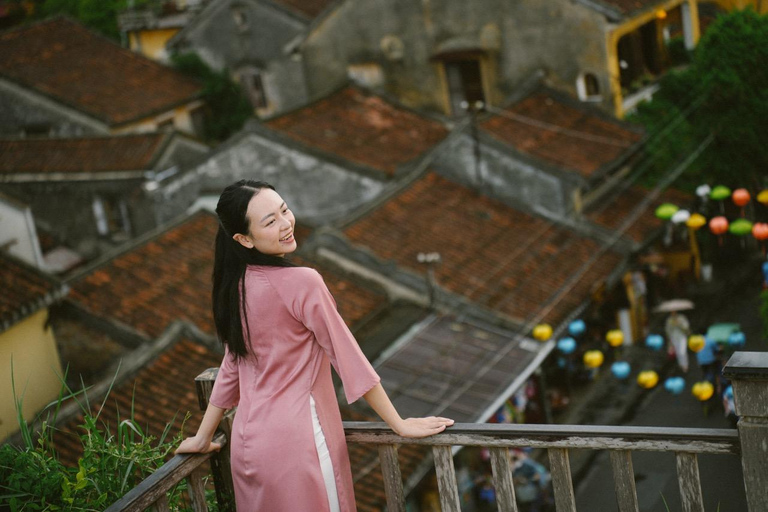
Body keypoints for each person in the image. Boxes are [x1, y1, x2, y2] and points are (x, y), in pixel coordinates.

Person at [176, 180, 454, 511]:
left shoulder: (234, 287)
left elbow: (232, 366)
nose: (285, 224)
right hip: (299, 442)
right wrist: (399, 424)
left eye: (284, 210)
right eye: (270, 221)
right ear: (243, 239)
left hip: (248, 446)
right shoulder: (303, 282)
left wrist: (204, 436)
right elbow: (346, 355)